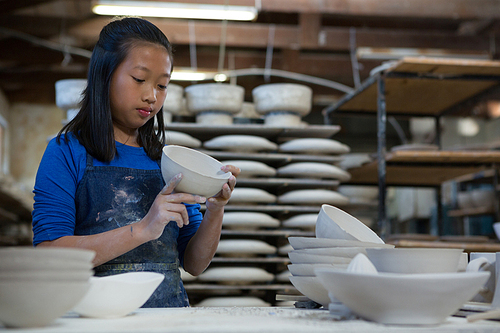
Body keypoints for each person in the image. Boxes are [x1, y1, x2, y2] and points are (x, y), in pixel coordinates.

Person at [31, 17, 239, 307]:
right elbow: (50, 254)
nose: (151, 96)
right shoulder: (66, 151)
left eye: (162, 85)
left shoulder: (168, 161)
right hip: (94, 319)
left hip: (168, 319)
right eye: (139, 79)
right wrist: (143, 229)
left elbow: (194, 264)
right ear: (105, 74)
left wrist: (215, 209)